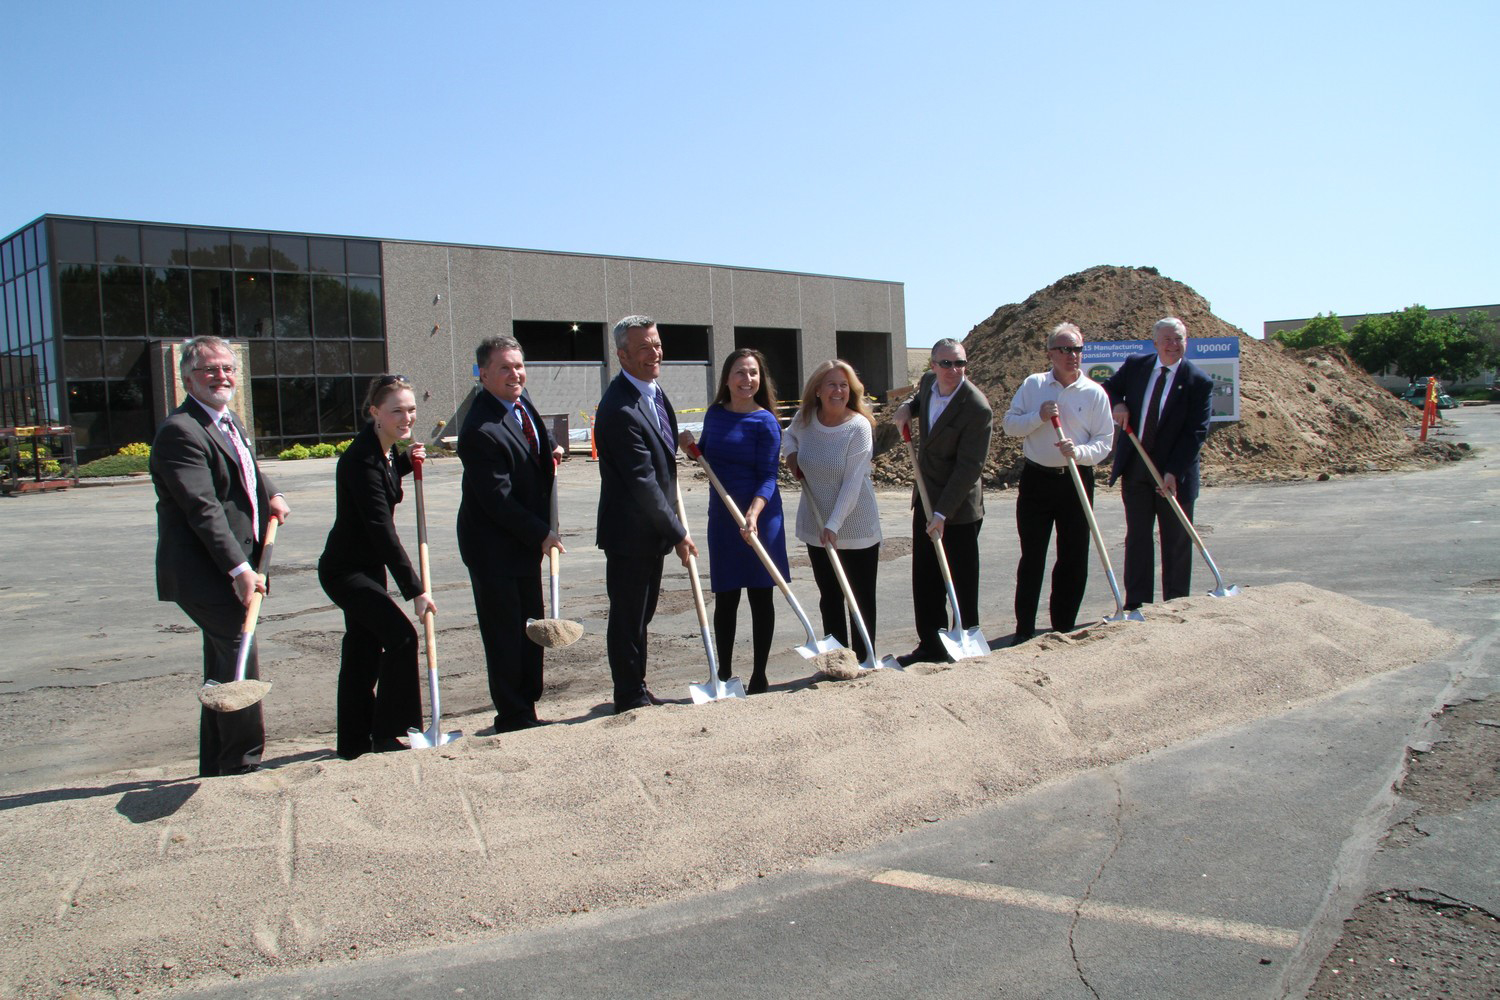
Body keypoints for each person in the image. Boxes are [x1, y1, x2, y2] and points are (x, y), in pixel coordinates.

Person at [150, 335, 290, 777]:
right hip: (202, 569)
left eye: (227, 368)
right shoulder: (181, 431)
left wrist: (272, 494)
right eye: (210, 369)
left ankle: (217, 763)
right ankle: (243, 763)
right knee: (238, 654)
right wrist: (239, 569)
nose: (221, 376)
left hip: (230, 563)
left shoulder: (228, 421)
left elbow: (245, 469)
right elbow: (202, 507)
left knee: (222, 662)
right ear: (187, 377)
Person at [318, 375, 435, 759]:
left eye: (411, 409)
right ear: (375, 413)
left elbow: (385, 478)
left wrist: (404, 462)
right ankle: (388, 733)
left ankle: (354, 741)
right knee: (402, 637)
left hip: (366, 567)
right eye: (397, 410)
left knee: (362, 649)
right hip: (345, 571)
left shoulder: (382, 451)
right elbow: (382, 531)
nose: (407, 418)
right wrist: (416, 590)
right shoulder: (361, 459)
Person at [456, 336, 564, 733]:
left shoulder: (519, 400)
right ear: (483, 374)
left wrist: (550, 447)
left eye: (518, 365)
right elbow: (497, 500)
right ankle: (512, 714)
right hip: (493, 547)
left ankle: (527, 705)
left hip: (524, 543)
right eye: (504, 368)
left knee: (530, 628)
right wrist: (542, 534)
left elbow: (536, 431)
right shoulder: (479, 429)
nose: (515, 374)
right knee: (505, 634)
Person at [595, 315, 697, 713]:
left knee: (643, 614)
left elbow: (660, 459)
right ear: (622, 355)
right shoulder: (619, 407)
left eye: (656, 344)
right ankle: (629, 695)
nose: (654, 353)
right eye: (643, 348)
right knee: (628, 617)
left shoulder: (653, 393)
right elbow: (641, 481)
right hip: (629, 534)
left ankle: (637, 684)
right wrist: (677, 532)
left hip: (650, 530)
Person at [1001, 323, 1114, 643]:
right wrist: (1037, 416)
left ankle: (1063, 626)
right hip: (1037, 479)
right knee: (1033, 556)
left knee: (1074, 555)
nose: (1072, 355)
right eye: (1064, 349)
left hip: (1076, 480)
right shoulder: (1034, 385)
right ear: (1050, 353)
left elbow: (1104, 442)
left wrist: (1078, 452)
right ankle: (1024, 629)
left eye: (1077, 349)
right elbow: (1010, 425)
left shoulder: (1094, 393)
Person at [891, 338, 993, 666]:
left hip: (958, 507)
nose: (954, 370)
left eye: (960, 363)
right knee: (926, 578)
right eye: (946, 364)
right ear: (933, 366)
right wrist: (908, 407)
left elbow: (969, 468)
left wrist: (942, 512)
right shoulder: (928, 383)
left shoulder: (977, 407)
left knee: (960, 579)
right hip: (925, 496)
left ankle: (963, 639)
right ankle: (931, 645)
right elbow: (920, 398)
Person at [1103, 316, 1214, 610]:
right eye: (1167, 339)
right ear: (1155, 342)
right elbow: (1109, 387)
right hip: (1137, 467)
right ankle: (1137, 605)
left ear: (1186, 342)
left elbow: (1196, 433)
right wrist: (1118, 403)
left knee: (1176, 543)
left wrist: (1173, 471)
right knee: (1138, 539)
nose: (1173, 345)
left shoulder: (1198, 381)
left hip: (1173, 475)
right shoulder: (1137, 366)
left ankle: (1175, 605)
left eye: (1178, 339)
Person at [696, 348, 788, 694]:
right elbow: (704, 454)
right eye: (740, 372)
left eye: (753, 373)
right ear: (727, 378)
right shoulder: (715, 415)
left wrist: (753, 512)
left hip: (760, 516)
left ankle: (760, 675)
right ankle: (723, 673)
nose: (747, 380)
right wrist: (690, 446)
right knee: (726, 596)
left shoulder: (765, 421)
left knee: (761, 596)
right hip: (722, 516)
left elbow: (768, 476)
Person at [783, 359, 882, 663]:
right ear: (817, 390)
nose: (838, 390)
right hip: (816, 524)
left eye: (843, 385)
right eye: (831, 384)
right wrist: (793, 455)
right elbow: (787, 435)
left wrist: (835, 523)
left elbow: (853, 482)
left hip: (855, 527)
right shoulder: (806, 418)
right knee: (830, 597)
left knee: (860, 599)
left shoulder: (858, 427)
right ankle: (838, 661)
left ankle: (865, 659)